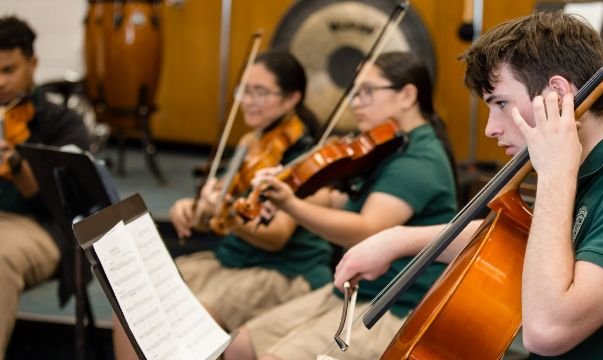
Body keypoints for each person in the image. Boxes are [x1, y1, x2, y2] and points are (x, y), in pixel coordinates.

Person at [334, 10, 603, 359]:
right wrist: (400, 240)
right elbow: (515, 238)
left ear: (557, 94)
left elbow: (547, 331)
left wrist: (555, 176)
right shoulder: (579, 174)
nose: (490, 128)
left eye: (500, 103)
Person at [222, 51, 459, 360]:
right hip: (350, 289)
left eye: (367, 92)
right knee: (239, 345)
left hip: (389, 307)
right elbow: (341, 200)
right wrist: (288, 186)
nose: (355, 102)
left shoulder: (421, 159)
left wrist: (290, 204)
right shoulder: (389, 146)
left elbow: (365, 231)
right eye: (354, 92)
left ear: (407, 95)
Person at [111, 51, 331, 359]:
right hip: (232, 260)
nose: (248, 101)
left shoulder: (305, 157)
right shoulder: (250, 143)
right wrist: (194, 210)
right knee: (133, 307)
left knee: (184, 323)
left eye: (261, 92)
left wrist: (224, 211)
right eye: (244, 90)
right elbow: (219, 220)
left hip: (281, 272)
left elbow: (276, 236)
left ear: (291, 99)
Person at [0, 16, 91, 357]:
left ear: (33, 64)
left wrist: (17, 166)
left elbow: (66, 203)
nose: (0, 82)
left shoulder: (62, 123)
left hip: (43, 228)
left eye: (9, 70)